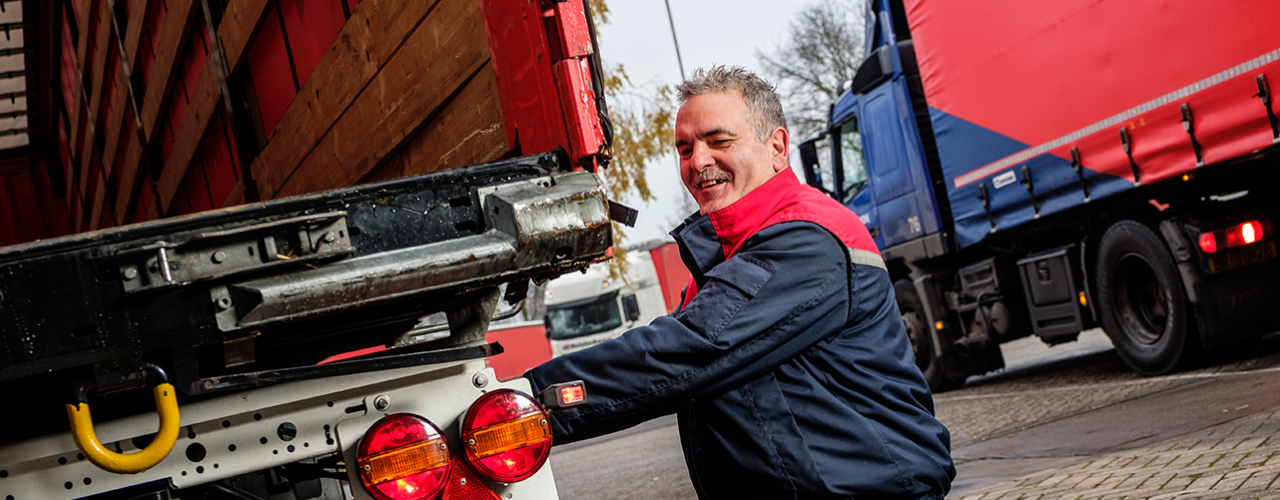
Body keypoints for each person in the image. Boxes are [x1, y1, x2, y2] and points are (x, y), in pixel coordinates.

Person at [524, 66, 954, 499]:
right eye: (685, 148)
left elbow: (688, 351)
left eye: (719, 141)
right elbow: (656, 384)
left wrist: (529, 401)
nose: (698, 161)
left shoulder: (807, 239)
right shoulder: (724, 265)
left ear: (778, 148)